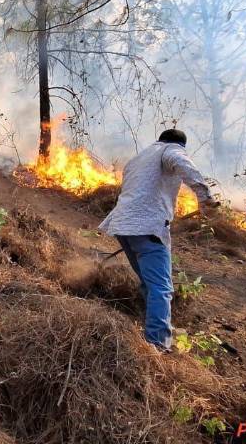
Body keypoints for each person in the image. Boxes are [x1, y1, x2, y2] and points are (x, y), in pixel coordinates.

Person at [99, 129, 218, 352]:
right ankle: (157, 344)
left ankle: (155, 326)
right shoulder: (171, 150)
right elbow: (184, 165)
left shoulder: (139, 158)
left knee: (149, 282)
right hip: (147, 227)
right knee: (161, 288)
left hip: (123, 225)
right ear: (180, 145)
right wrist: (205, 198)